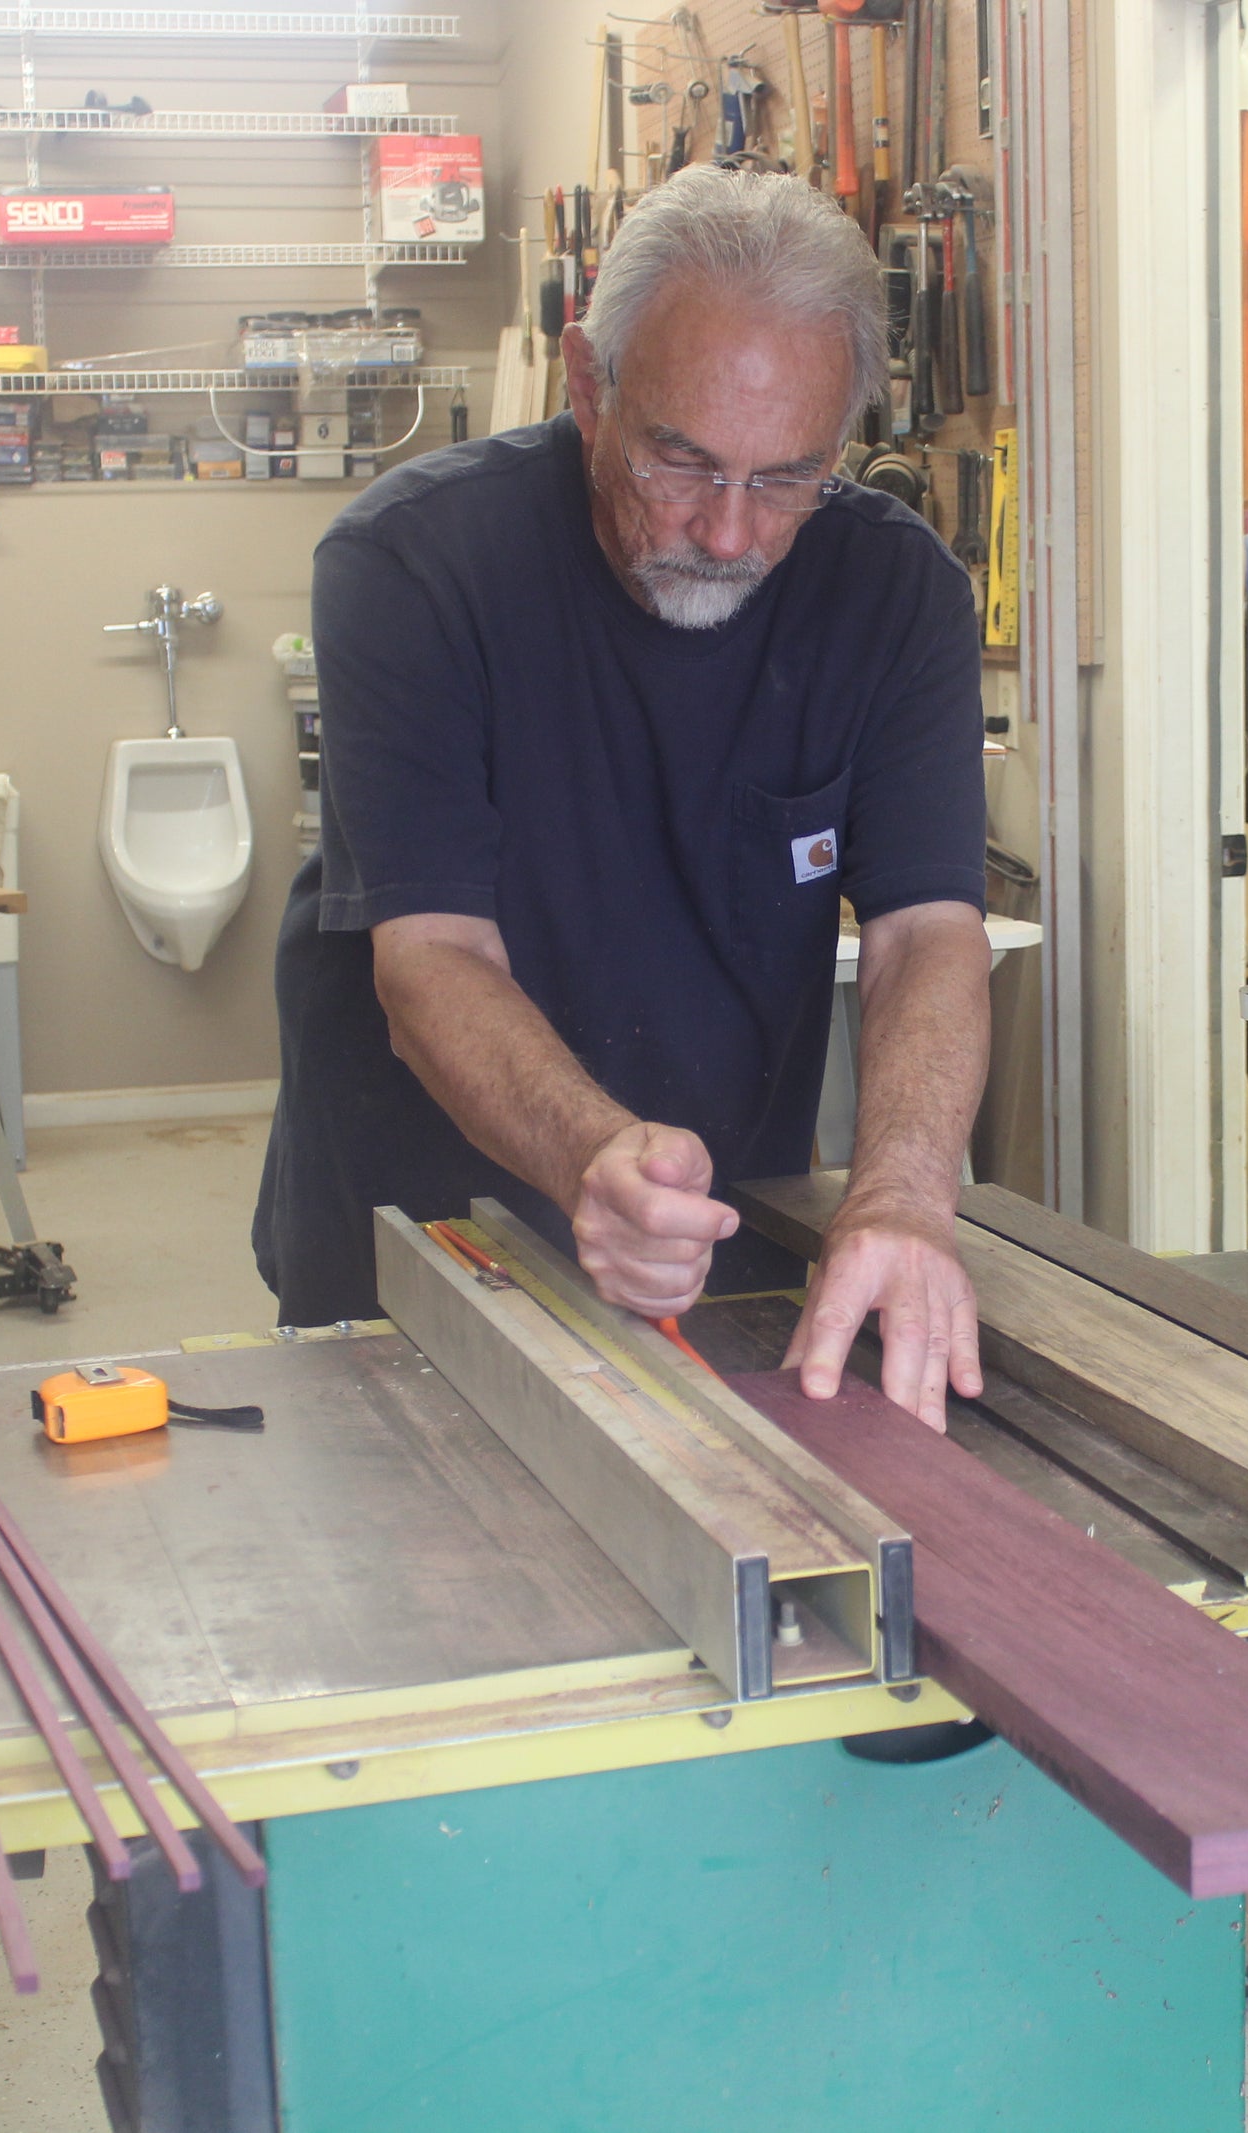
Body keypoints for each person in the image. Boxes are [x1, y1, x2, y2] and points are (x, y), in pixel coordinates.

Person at [252, 166, 992, 1427]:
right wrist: (592, 1160)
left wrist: (903, 1196)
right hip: (422, 1242)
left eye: (786, 478)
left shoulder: (895, 594)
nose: (726, 533)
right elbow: (429, 955)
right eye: (680, 461)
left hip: (709, 1247)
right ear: (586, 383)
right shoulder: (410, 566)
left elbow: (927, 933)